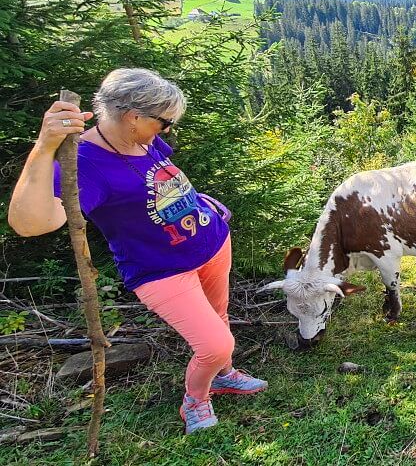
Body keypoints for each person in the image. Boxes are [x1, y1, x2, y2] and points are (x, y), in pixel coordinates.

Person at [7, 69, 267, 434]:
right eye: (165, 122)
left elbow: (159, 185)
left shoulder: (144, 141)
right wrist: (44, 147)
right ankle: (196, 397)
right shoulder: (87, 164)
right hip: (161, 270)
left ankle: (224, 375)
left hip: (211, 244)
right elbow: (31, 223)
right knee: (215, 343)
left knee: (218, 318)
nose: (168, 130)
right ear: (134, 117)